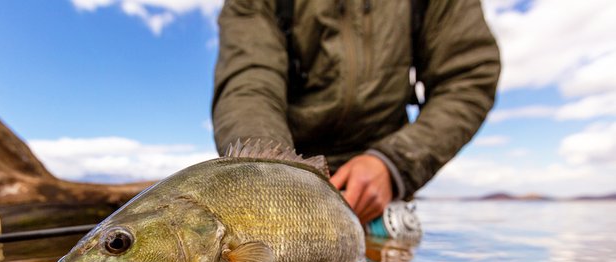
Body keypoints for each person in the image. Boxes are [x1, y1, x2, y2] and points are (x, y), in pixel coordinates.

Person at [212, 0, 500, 224]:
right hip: (283, 183)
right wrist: (273, 183)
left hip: (384, 191)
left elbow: (468, 76)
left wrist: (392, 164)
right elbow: (249, 85)